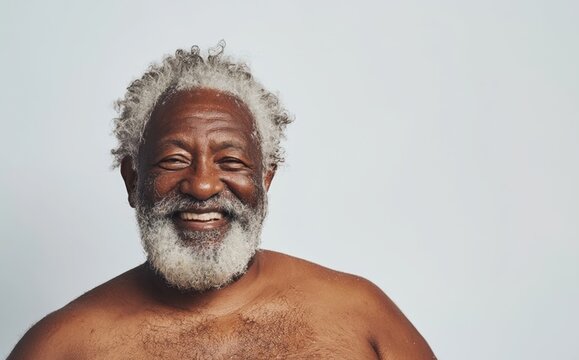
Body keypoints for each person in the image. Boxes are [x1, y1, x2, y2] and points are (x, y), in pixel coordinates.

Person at [9, 42, 435, 359]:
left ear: (265, 179)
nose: (202, 185)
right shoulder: (61, 347)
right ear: (132, 180)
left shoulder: (360, 315)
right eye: (174, 160)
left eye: (229, 160)